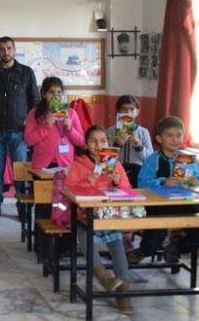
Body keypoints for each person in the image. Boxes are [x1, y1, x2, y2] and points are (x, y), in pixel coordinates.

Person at [65, 125, 133, 314]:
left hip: (109, 214)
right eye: (93, 141)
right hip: (85, 214)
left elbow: (127, 190)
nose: (98, 145)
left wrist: (117, 182)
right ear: (86, 145)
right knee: (85, 236)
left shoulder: (114, 163)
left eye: (102, 141)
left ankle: (123, 292)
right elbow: (68, 191)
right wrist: (87, 181)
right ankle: (104, 278)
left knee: (117, 244)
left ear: (108, 143)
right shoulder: (78, 164)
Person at [130, 116, 199, 264]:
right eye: (170, 135)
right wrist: (162, 182)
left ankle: (176, 247)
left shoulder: (187, 159)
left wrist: (196, 181)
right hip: (158, 204)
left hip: (184, 202)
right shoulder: (152, 159)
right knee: (157, 232)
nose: (175, 139)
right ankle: (144, 250)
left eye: (179, 135)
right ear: (159, 139)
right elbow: (142, 183)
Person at [0, 36, 39, 220]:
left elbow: (34, 102)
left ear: (14, 49)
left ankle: (23, 208)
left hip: (19, 132)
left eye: (9, 48)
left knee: (21, 172)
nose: (6, 52)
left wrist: (31, 127)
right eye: (2, 49)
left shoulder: (26, 73)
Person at [24, 77, 84, 170]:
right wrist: (45, 127)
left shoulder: (71, 113)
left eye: (59, 92)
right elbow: (28, 140)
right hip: (42, 165)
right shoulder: (35, 113)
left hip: (65, 165)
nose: (56, 96)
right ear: (44, 94)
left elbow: (81, 142)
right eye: (51, 92)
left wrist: (70, 129)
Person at [105, 95, 153, 187]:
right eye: (124, 109)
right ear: (118, 112)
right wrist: (117, 145)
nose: (128, 112)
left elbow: (150, 158)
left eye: (132, 109)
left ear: (137, 112)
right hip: (117, 169)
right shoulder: (110, 131)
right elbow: (106, 159)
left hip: (137, 170)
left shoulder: (143, 132)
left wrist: (138, 146)